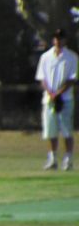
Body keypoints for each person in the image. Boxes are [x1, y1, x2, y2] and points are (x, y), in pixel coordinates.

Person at [35, 28, 78, 171]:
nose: (58, 41)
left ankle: (68, 159)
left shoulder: (72, 57)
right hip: (49, 100)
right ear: (53, 40)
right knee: (50, 131)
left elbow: (72, 79)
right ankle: (52, 159)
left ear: (65, 40)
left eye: (61, 38)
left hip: (65, 99)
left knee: (66, 131)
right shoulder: (45, 57)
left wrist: (58, 93)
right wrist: (51, 94)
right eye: (56, 38)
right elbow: (42, 78)